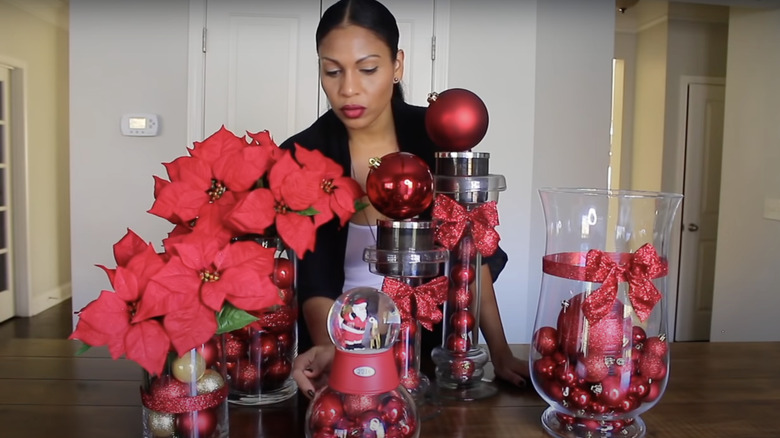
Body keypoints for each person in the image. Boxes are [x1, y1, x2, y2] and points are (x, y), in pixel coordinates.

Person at [279, 0, 528, 399]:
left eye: (368, 68)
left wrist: (499, 352)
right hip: (339, 348)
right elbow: (311, 274)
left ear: (397, 65)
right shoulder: (301, 154)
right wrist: (333, 346)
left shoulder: (436, 141)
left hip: (428, 354)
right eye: (332, 71)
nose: (348, 89)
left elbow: (468, 252)